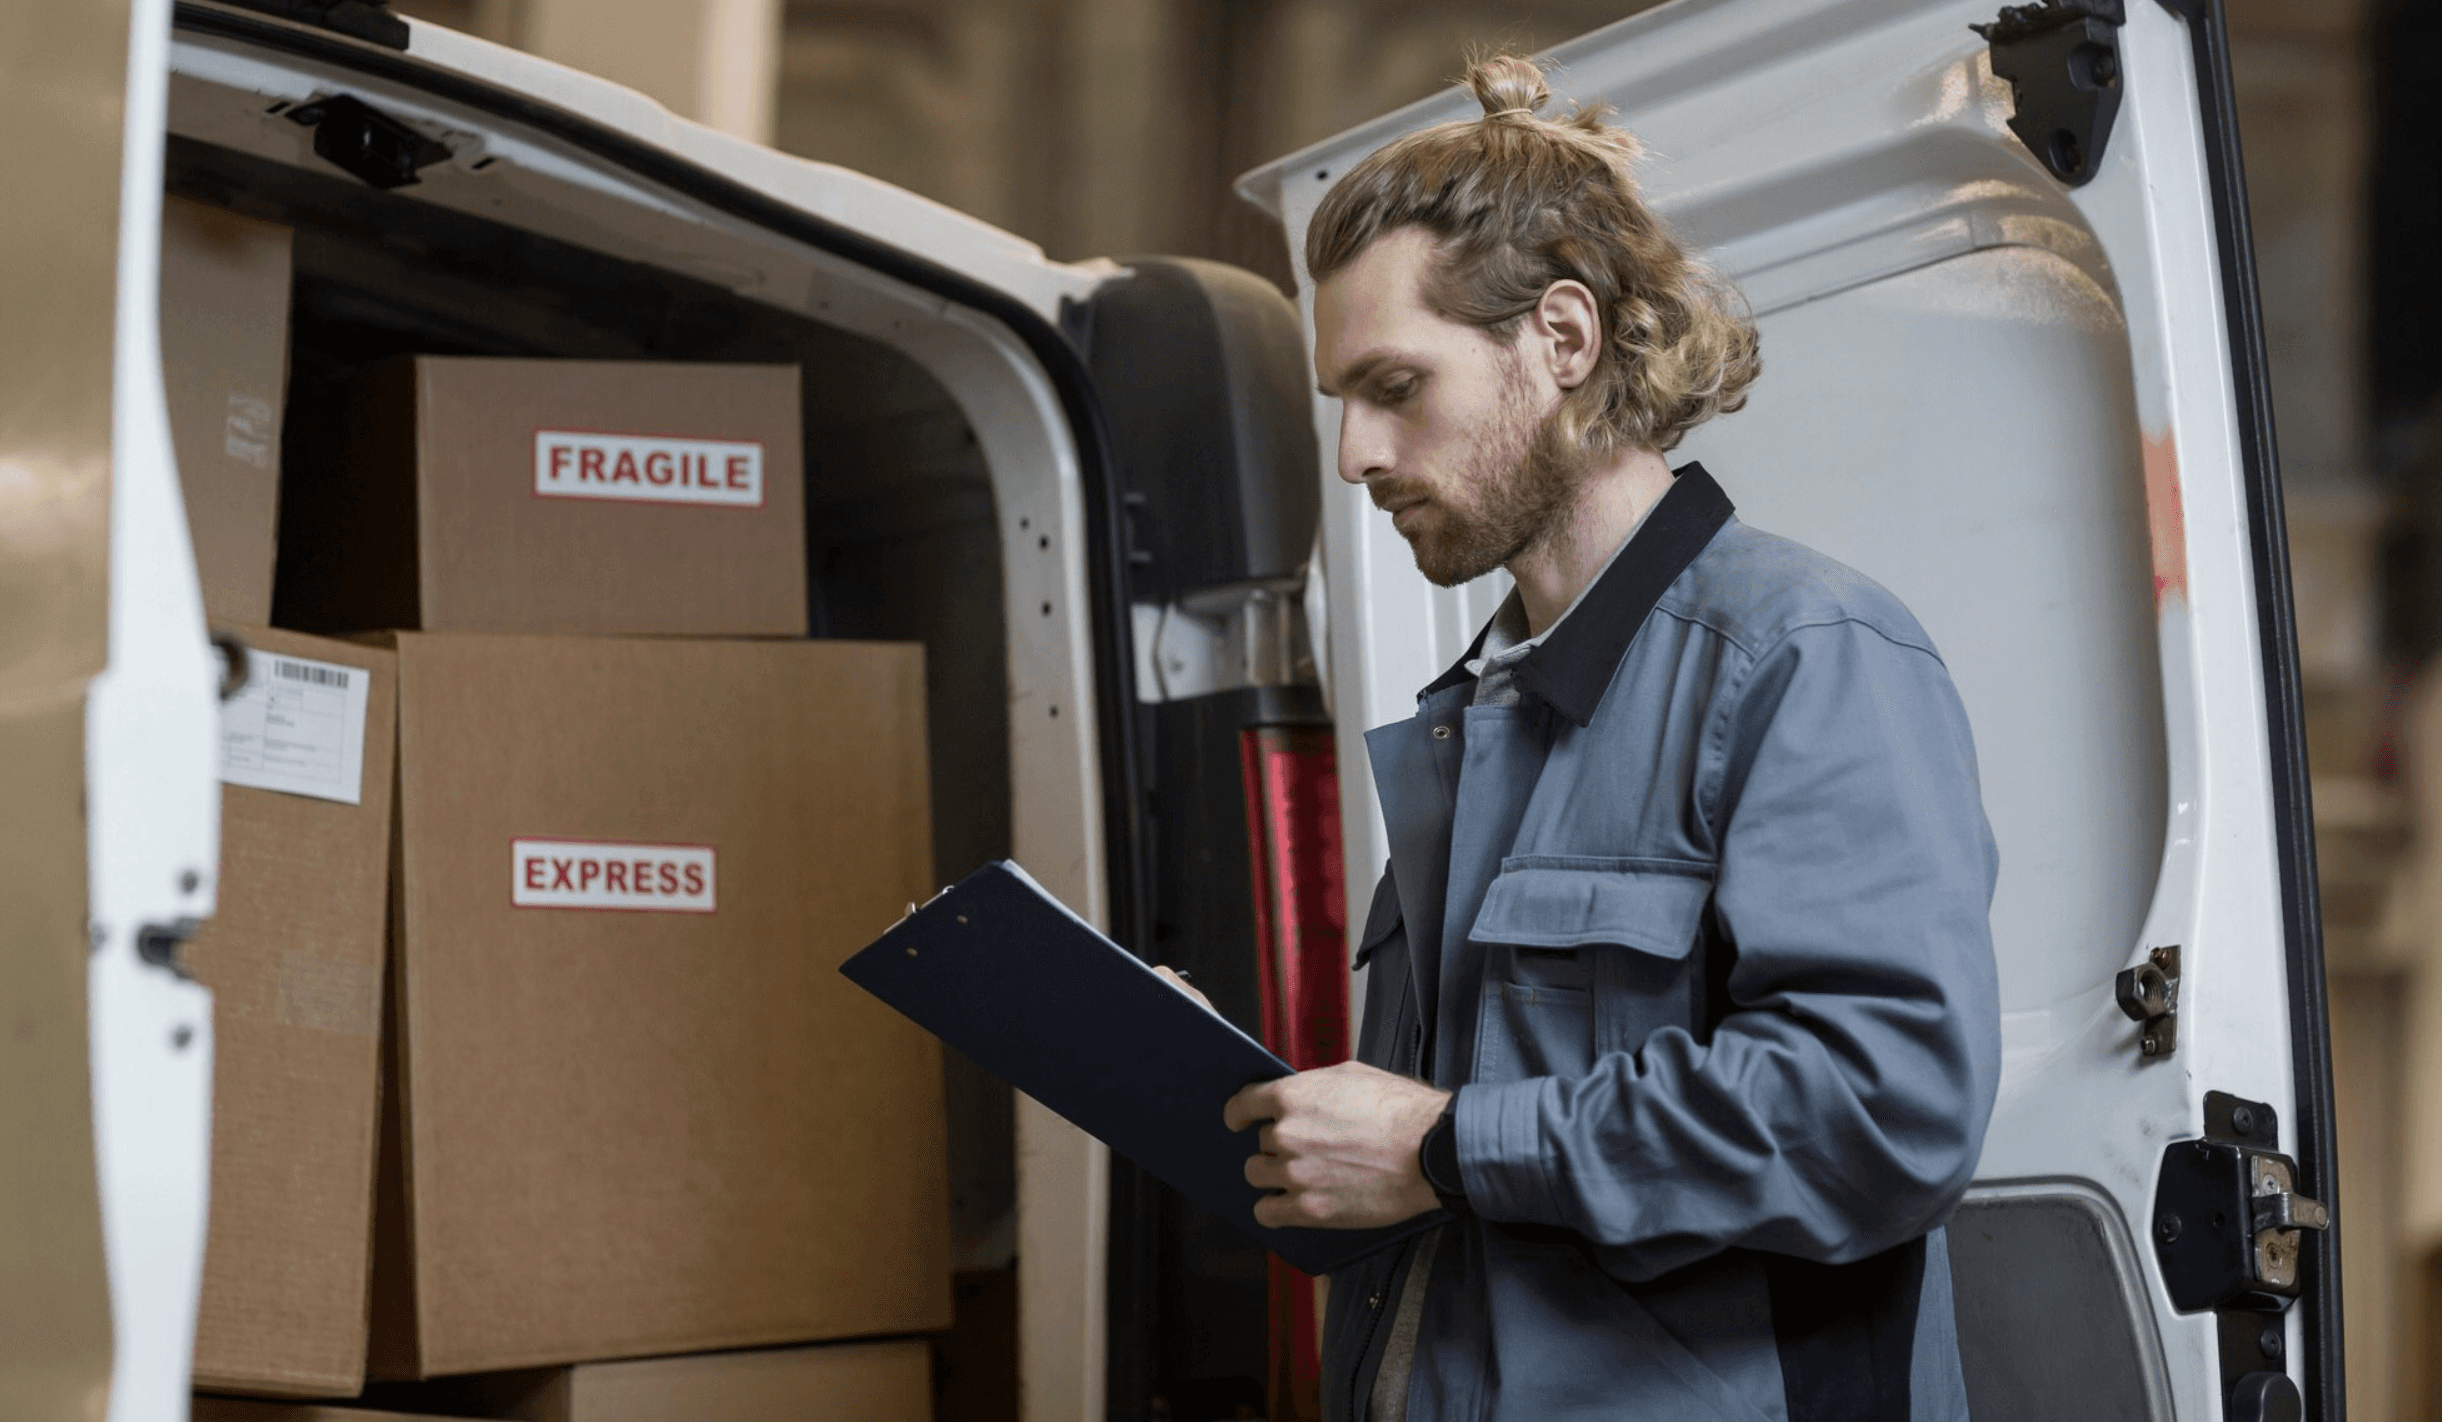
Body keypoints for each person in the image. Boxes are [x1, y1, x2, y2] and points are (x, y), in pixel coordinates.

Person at [1210, 50, 2003, 1422]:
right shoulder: (1483, 712)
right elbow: (1434, 1168)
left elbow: (1881, 1107)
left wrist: (1453, 1142)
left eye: (1395, 384)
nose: (1354, 453)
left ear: (1560, 341)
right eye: (1343, 397)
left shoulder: (1803, 656)